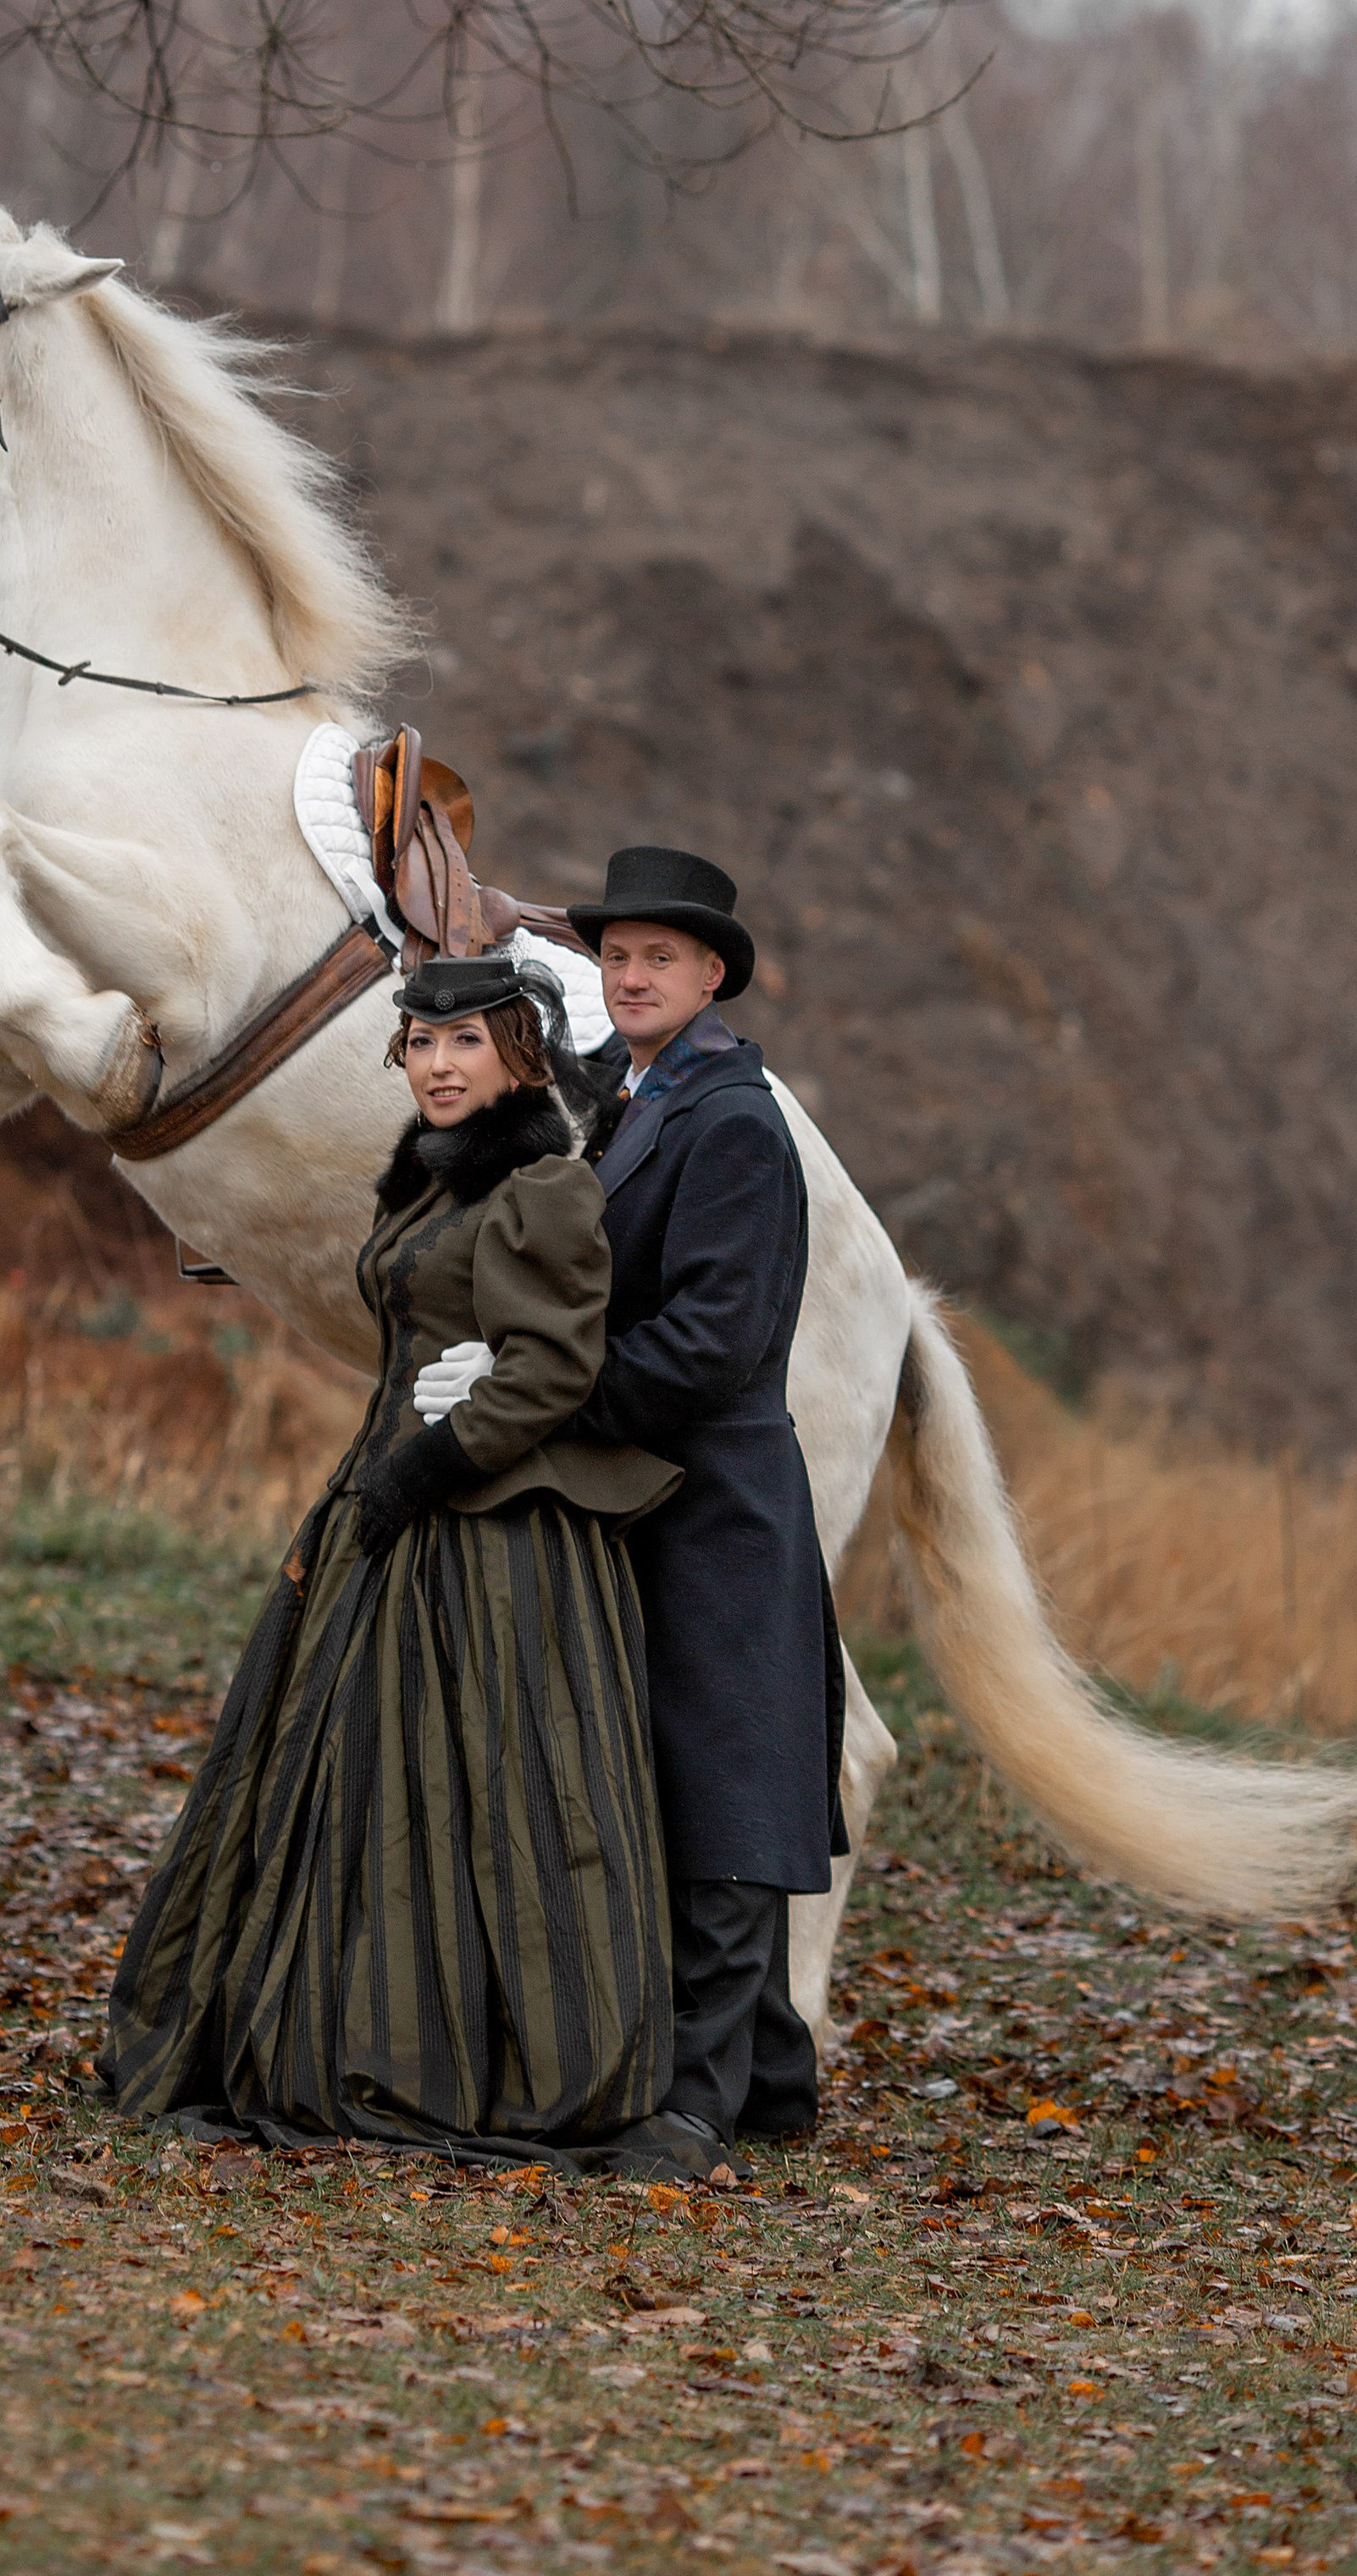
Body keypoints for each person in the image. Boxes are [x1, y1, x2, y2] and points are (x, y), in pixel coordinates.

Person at [102, 952, 686, 2162]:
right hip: (390, 1503)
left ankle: (477, 2055)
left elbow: (552, 1370)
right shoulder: (427, 1187)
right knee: (354, 1772)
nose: (434, 1065)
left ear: (520, 1056)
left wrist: (428, 1467)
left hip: (497, 1536)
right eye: (418, 1044)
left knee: (490, 1797)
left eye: (463, 1043)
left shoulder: (543, 1190)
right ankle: (325, 2023)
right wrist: (367, 1491)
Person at [414, 849, 844, 2158]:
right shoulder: (647, 1093)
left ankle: (700, 2105)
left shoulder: (736, 1122)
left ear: (713, 973)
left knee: (726, 1789)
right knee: (673, 1774)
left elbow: (712, 1344)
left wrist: (535, 1396)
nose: (634, 975)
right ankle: (766, 2078)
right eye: (618, 956)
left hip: (719, 1492)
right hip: (655, 1491)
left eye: (662, 956)